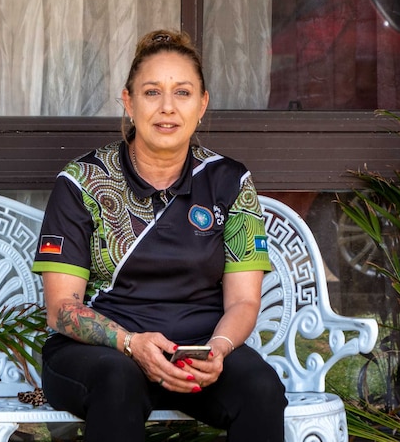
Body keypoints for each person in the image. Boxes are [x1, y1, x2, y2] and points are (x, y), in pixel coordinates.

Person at [31, 29, 287, 441]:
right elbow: (61, 308)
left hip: (197, 352)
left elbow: (243, 300)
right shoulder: (82, 181)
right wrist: (131, 344)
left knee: (261, 389)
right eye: (152, 92)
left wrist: (218, 349)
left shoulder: (230, 182)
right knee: (119, 383)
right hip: (103, 353)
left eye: (182, 93)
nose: (167, 108)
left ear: (202, 104)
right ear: (128, 101)